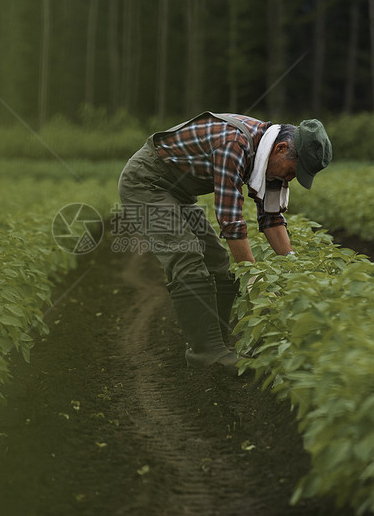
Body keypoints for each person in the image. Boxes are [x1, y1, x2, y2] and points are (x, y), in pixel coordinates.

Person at [116, 111, 332, 371]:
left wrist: (295, 273)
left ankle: (218, 344)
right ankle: (206, 352)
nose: (290, 179)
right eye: (292, 171)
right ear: (282, 149)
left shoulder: (271, 158)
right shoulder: (234, 144)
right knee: (186, 255)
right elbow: (230, 220)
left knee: (217, 259)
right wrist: (255, 280)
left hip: (179, 192)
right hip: (147, 182)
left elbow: (272, 220)